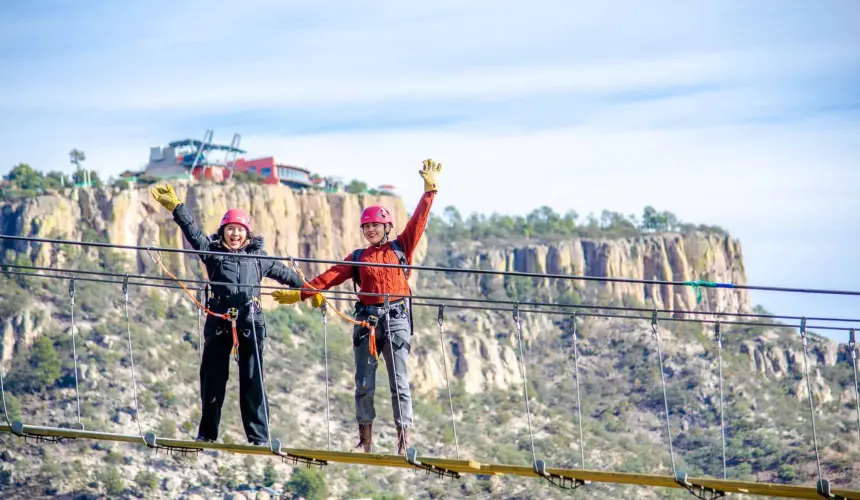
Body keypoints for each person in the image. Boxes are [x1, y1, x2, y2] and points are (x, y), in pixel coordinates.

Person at [271, 158, 442, 455]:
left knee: (399, 382)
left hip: (397, 318)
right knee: (363, 382)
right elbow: (330, 277)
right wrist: (301, 294)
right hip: (367, 321)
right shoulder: (359, 256)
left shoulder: (401, 246)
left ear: (386, 226)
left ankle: (404, 440)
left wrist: (429, 191)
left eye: (375, 225)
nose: (370, 230)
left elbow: (419, 220)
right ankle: (365, 439)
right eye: (366, 226)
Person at [149, 183, 322, 445]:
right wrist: (177, 208)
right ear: (223, 232)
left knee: (253, 380)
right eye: (231, 230)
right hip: (219, 320)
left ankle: (259, 437)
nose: (235, 234)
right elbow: (193, 233)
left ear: (247, 235)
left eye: (240, 230)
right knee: (212, 379)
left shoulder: (258, 258)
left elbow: (286, 275)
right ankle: (207, 434)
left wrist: (310, 291)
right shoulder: (213, 254)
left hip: (250, 321)